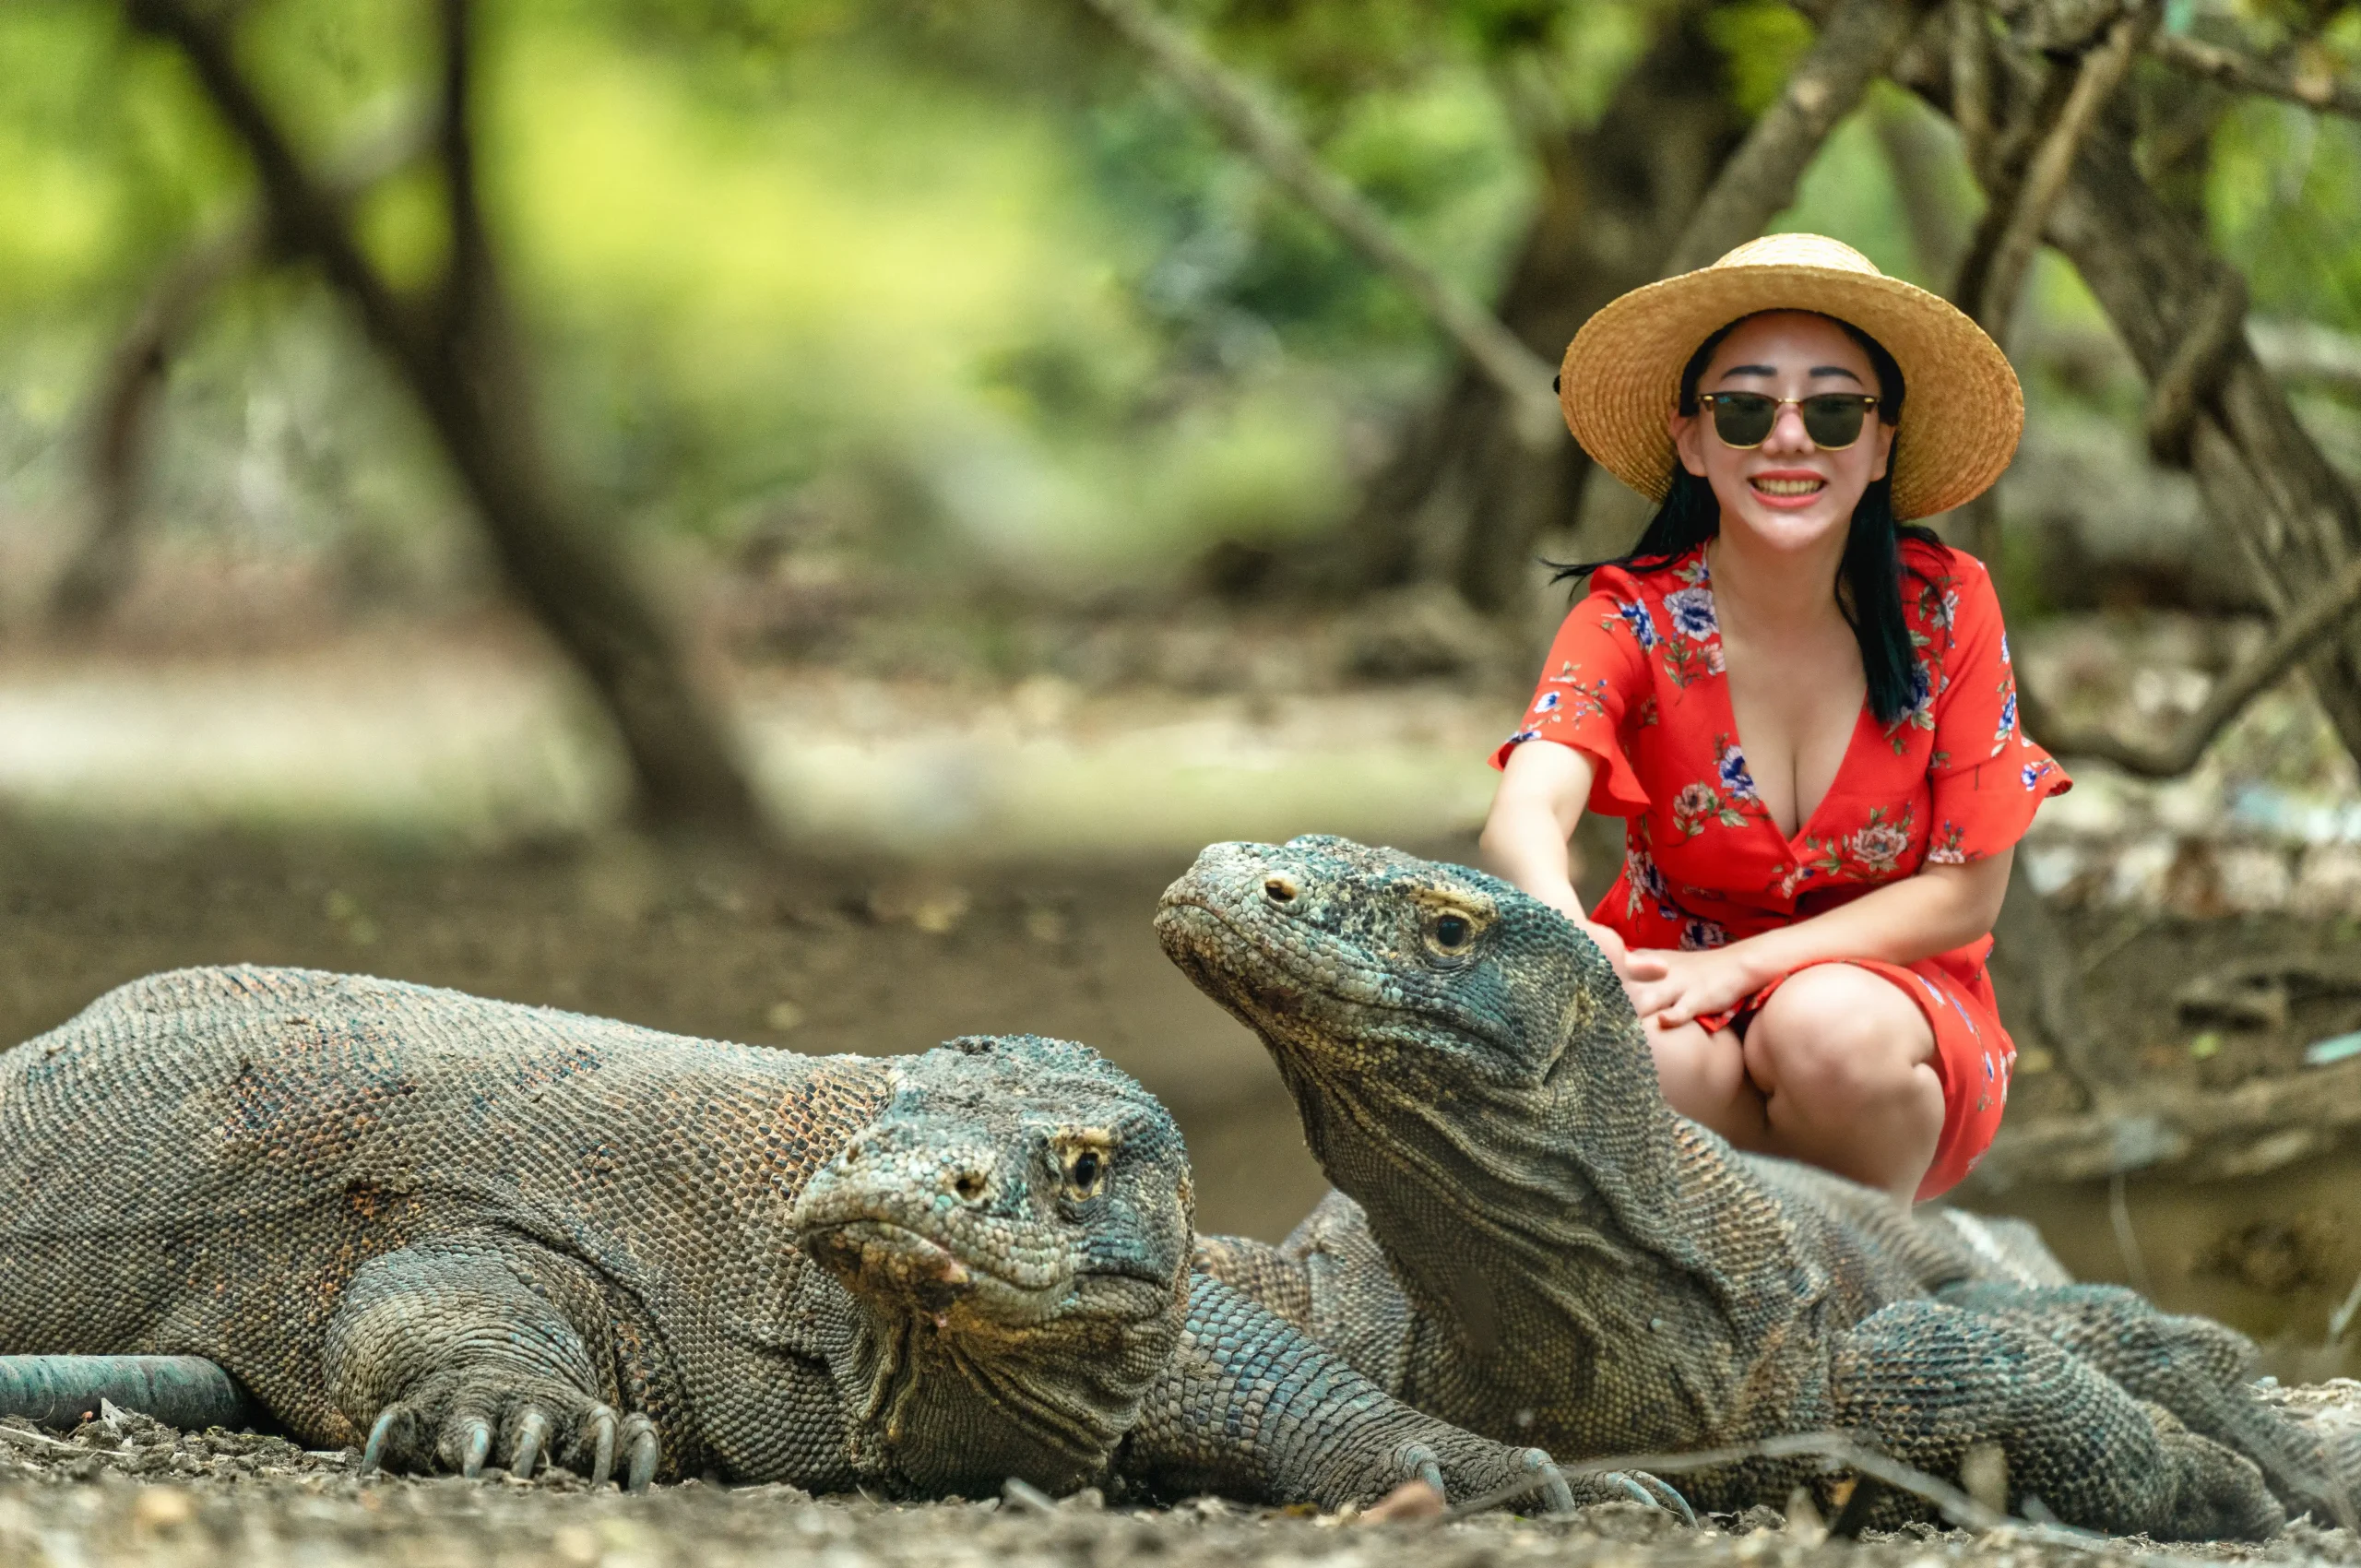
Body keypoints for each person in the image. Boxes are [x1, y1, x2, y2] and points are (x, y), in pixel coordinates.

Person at [1480, 233, 2065, 1205]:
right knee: (1627, 1059)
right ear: (1693, 439)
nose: (1787, 438)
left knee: (1823, 1028)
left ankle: (1860, 1295)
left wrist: (1745, 969)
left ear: (1880, 444)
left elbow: (1965, 895)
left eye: (1833, 410)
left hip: (1887, 1022)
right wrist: (1569, 934)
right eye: (1746, 408)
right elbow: (1525, 809)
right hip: (1675, 1003)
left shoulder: (1948, 608)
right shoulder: (1630, 619)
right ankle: (1755, 1287)